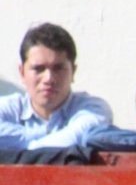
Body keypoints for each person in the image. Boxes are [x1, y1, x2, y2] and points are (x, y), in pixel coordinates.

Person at [0, 22, 112, 152]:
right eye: (38, 69)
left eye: (58, 68)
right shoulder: (8, 108)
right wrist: (41, 135)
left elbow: (76, 137)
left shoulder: (94, 109)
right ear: (22, 73)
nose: (49, 78)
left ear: (73, 72)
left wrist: (22, 146)